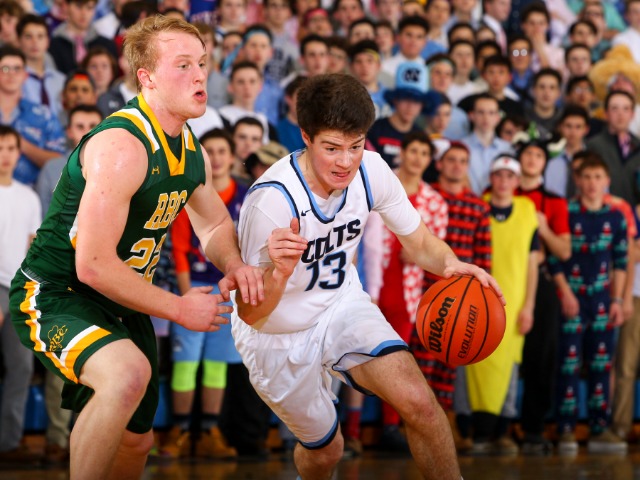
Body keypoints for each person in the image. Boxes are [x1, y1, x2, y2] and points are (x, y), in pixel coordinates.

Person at [8, 16, 262, 480]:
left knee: (137, 439)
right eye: (183, 65)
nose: (200, 75)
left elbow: (213, 223)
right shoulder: (121, 146)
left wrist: (234, 263)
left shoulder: (191, 148)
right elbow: (93, 265)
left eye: (202, 63)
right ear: (147, 78)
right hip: (59, 292)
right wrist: (179, 309)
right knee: (126, 375)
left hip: (122, 299)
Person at [233, 73, 503, 480]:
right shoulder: (270, 202)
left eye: (355, 146)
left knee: (420, 402)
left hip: (341, 305)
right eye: (332, 148)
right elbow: (251, 313)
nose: (345, 162)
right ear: (305, 137)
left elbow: (418, 240)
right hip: (276, 333)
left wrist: (450, 264)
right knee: (327, 452)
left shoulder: (371, 170)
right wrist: (280, 274)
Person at [161, 128, 245, 460]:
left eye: (223, 150)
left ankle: (210, 432)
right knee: (185, 364)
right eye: (210, 151)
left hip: (228, 292)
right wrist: (186, 300)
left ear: (232, 157)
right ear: (202, 157)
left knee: (216, 365)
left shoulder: (246, 195)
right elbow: (180, 250)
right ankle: (179, 430)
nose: (217, 157)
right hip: (194, 288)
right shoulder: (190, 194)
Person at [457, 154, 539, 456]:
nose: (504, 181)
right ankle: (468, 429)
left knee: (509, 365)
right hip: (476, 300)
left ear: (517, 181)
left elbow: (532, 264)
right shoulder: (476, 208)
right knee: (469, 358)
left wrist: (529, 305)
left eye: (510, 176)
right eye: (499, 175)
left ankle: (502, 429)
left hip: (514, 301)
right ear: (491, 178)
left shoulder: (527, 211)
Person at [549, 151, 628, 454]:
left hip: (603, 301)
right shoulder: (566, 211)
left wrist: (617, 300)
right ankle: (566, 430)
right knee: (568, 365)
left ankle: (599, 429)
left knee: (600, 365)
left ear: (606, 180)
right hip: (571, 298)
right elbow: (554, 258)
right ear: (578, 180)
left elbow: (621, 262)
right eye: (586, 177)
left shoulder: (616, 216)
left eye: (598, 177)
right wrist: (565, 292)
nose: (592, 183)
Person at [0, 125, 42, 464]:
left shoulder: (29, 197)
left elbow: (32, 250)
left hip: (19, 289)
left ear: (19, 152)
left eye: (11, 148)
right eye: (0, 148)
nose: (5, 155)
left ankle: (9, 444)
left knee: (21, 368)